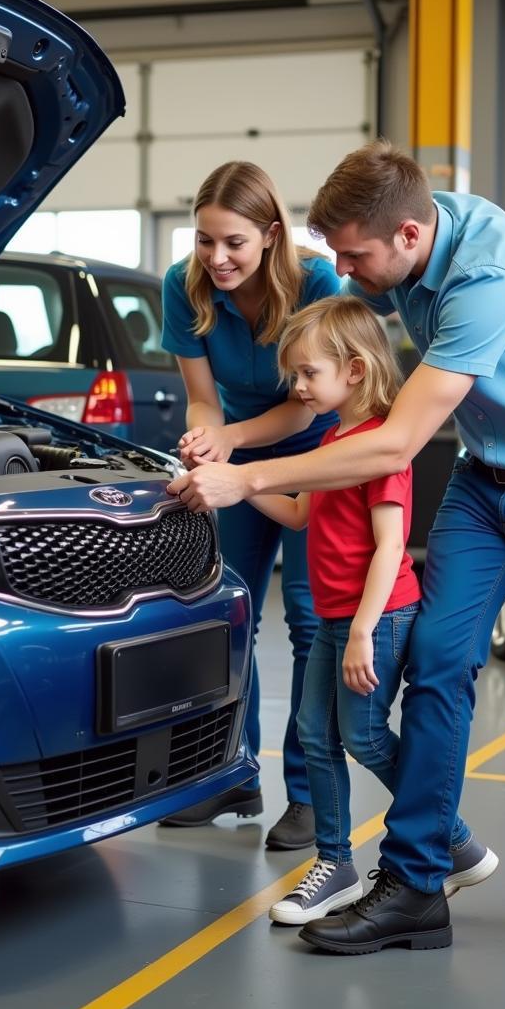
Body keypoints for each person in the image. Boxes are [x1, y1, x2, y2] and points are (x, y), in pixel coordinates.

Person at [167, 140, 505, 964]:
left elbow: (396, 445)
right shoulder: (403, 239)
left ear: (411, 237)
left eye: (354, 256)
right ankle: (418, 882)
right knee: (436, 664)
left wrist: (249, 480)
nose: (343, 272)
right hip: (487, 482)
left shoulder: (487, 280)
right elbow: (335, 353)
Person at [249, 296, 496, 926]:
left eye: (308, 373)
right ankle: (336, 865)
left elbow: (391, 546)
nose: (299, 387)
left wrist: (362, 631)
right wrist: (241, 483)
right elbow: (303, 513)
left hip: (376, 619)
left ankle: (452, 834)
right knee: (315, 733)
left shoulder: (381, 447)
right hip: (337, 617)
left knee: (359, 734)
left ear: (354, 370)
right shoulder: (333, 439)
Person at [157, 161, 341, 849]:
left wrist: (227, 442)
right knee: (224, 612)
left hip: (315, 453)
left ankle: (310, 795)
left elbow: (303, 412)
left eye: (233, 242)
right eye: (205, 240)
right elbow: (203, 394)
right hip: (237, 450)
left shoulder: (317, 283)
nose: (217, 257)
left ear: (269, 234)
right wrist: (208, 435)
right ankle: (230, 773)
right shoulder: (185, 285)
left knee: (308, 619)